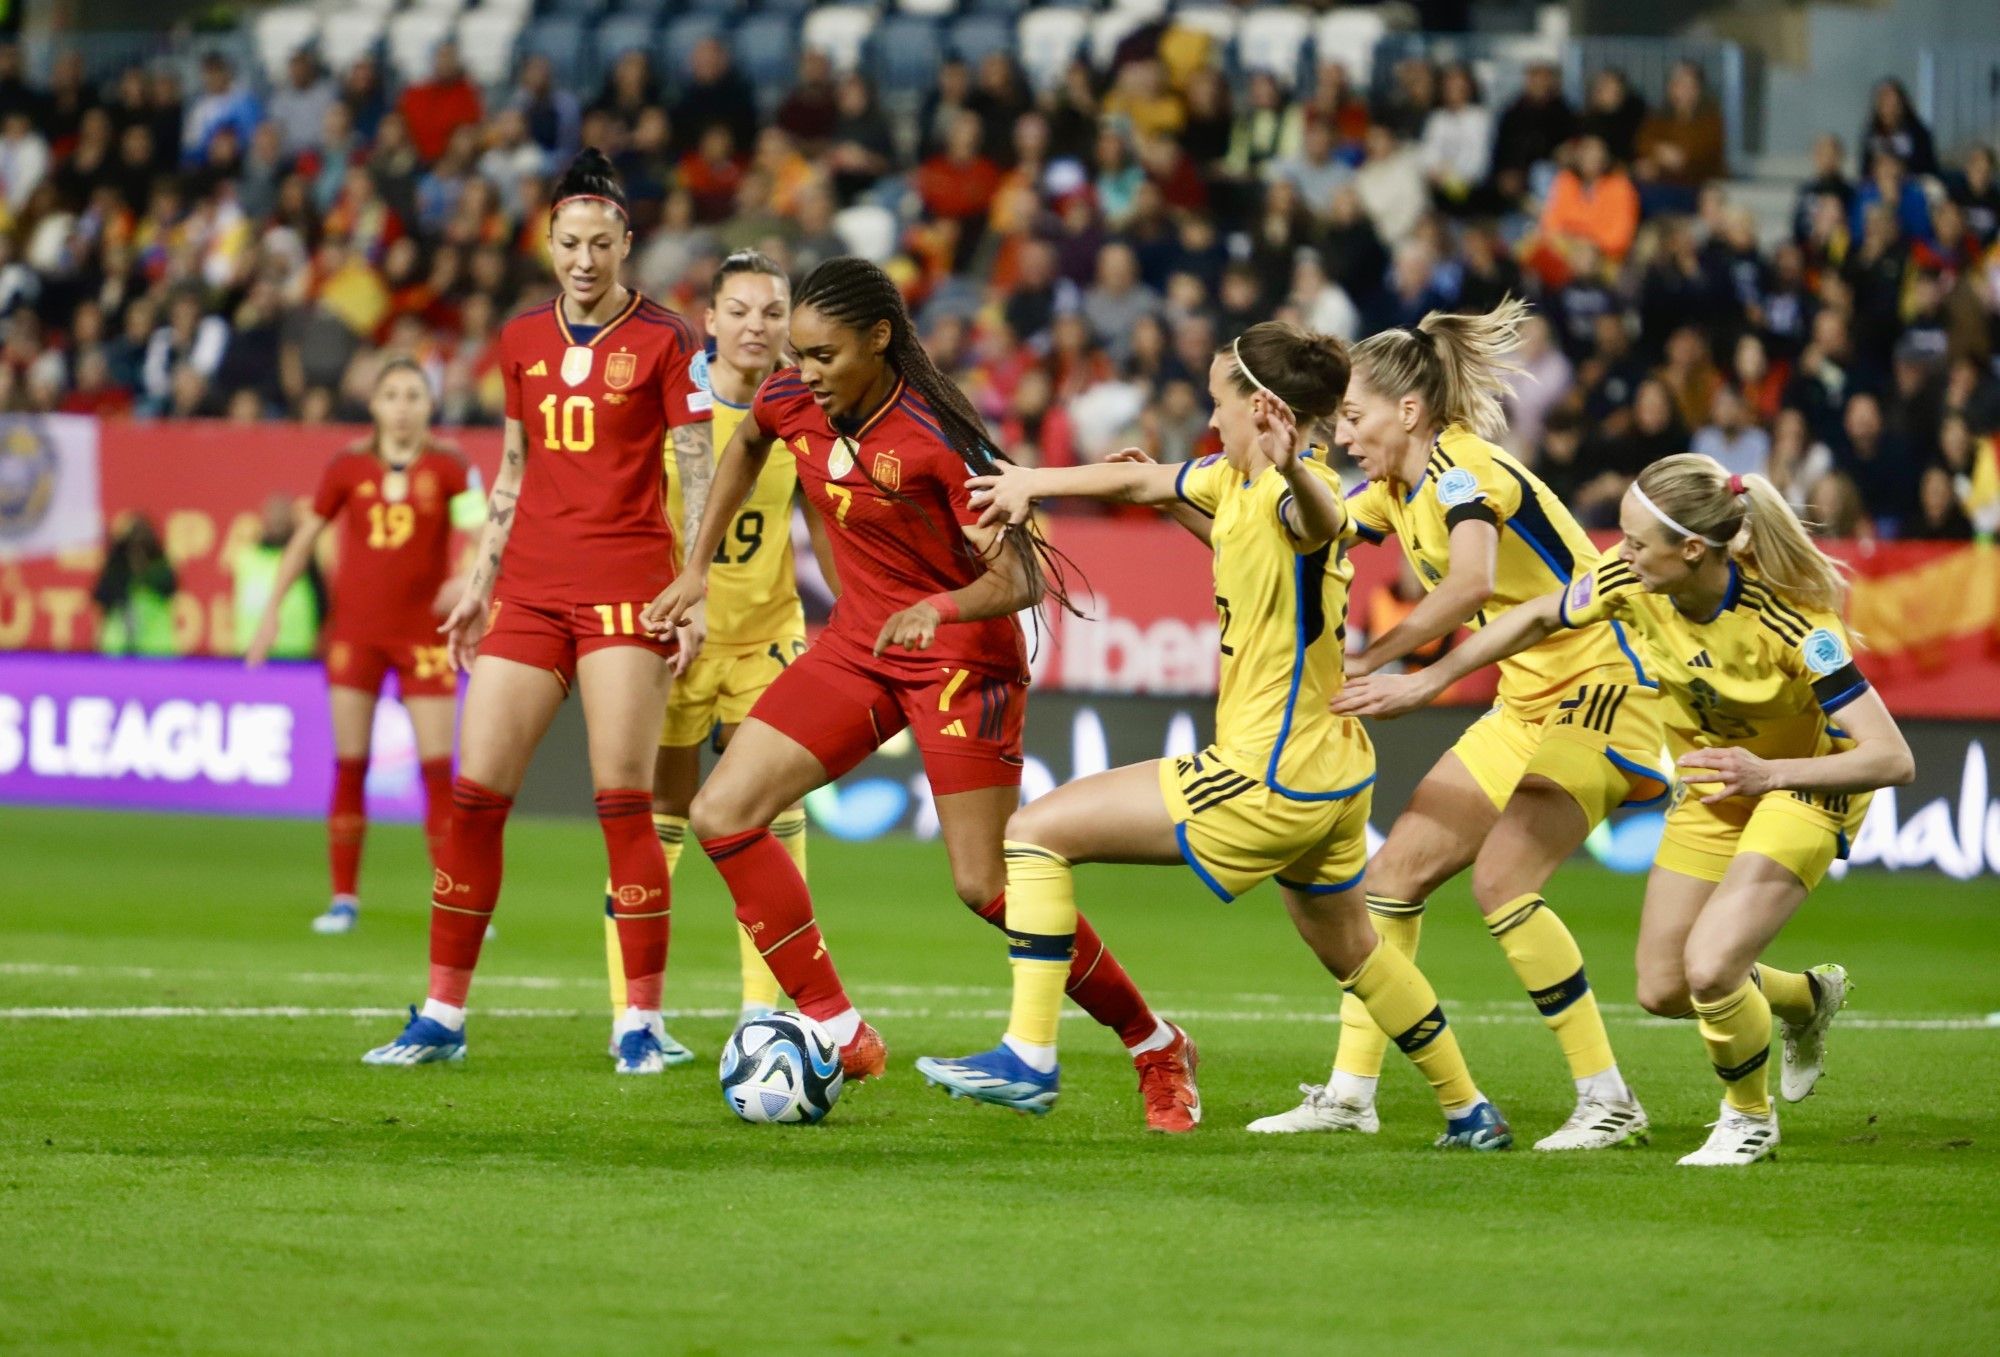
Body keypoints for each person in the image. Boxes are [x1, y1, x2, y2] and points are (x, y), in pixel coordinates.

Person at [914, 322, 1513, 1149]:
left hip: (1264, 774)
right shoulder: (1232, 485)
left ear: (1264, 409)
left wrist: (1294, 462)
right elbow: (1146, 484)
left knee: (1034, 833)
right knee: (1354, 949)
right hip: (1331, 775)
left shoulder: (1293, 494)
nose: (1210, 421)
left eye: (1217, 403)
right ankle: (1467, 1106)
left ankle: (1029, 1053)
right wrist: (1032, 481)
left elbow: (1318, 517)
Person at [645, 257, 1194, 1130]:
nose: (806, 371)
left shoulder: (937, 437)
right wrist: (698, 566)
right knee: (722, 813)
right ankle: (837, 1023)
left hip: (960, 658)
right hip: (859, 646)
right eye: (799, 353)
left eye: (824, 354)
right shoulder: (791, 402)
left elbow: (1018, 579)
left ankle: (1155, 1043)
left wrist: (936, 607)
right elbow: (745, 440)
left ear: (879, 339)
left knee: (984, 886)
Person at [1341, 454, 1915, 1165]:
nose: (1622, 552)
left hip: (1804, 783)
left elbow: (1893, 757)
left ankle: (1748, 1118)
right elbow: (1536, 615)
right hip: (1718, 782)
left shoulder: (1793, 624)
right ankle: (1806, 998)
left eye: (1639, 541)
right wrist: (1429, 677)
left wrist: (1767, 772)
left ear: (1693, 550)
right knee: (1666, 987)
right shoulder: (1630, 580)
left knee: (1710, 968)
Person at [1249, 301, 1666, 1151]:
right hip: (1525, 698)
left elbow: (1472, 581)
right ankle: (1349, 1092)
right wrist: (1217, 492)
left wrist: (1392, 661)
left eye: (1356, 417)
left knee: (1503, 881)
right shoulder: (1396, 490)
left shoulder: (1466, 470)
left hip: (1606, 681)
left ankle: (1610, 1098)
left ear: (1408, 411)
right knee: (1390, 882)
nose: (1348, 435)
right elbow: (1309, 532)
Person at [360, 150, 714, 1075]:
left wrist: (697, 583)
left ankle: (638, 1021)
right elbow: (513, 471)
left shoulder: (667, 339)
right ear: (549, 242)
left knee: (623, 802)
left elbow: (698, 466)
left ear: (628, 244)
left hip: (628, 592)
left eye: (602, 243)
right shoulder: (521, 340)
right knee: (474, 800)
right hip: (530, 590)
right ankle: (441, 1013)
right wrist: (481, 577)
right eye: (570, 243)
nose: (585, 259)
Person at [596, 250, 836, 1055]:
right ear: (711, 320)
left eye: (772, 312)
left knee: (768, 815)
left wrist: (860, 615)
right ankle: (638, 1018)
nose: (756, 326)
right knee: (658, 818)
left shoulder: (805, 407)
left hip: (768, 636)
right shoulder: (670, 406)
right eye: (740, 310)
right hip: (671, 639)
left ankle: (760, 1008)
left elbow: (827, 523)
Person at [245, 362, 476, 933]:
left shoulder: (451, 466)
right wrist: (271, 611)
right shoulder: (346, 466)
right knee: (350, 764)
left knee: (439, 770)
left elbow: (484, 532)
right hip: (356, 636)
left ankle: (456, 899)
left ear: (430, 405)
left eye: (413, 396)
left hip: (425, 634)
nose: (402, 406)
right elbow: (304, 539)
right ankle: (344, 899)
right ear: (374, 405)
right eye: (392, 395)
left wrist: (472, 582)